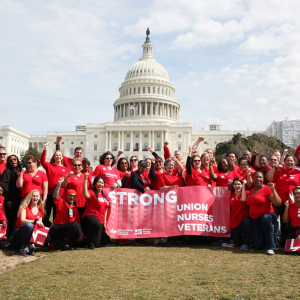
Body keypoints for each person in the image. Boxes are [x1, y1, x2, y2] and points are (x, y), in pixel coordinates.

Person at [244, 172, 282, 255]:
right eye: (256, 177)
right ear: (253, 179)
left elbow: (278, 203)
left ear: (263, 179)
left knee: (265, 218)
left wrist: (273, 190)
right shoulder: (252, 190)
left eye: (260, 177)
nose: (258, 179)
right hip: (255, 220)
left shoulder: (266, 188)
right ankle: (267, 239)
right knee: (258, 246)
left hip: (267, 216)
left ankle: (271, 247)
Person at [49, 178, 83, 251]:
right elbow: (55, 196)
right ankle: (65, 244)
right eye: (70, 195)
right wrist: (59, 185)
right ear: (66, 196)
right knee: (74, 225)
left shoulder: (75, 209)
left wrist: (81, 234)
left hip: (66, 229)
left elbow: (77, 222)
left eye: (74, 196)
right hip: (57, 227)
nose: (72, 197)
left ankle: (61, 243)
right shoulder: (61, 203)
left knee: (77, 234)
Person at [15, 190, 51, 256]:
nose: (35, 198)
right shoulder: (24, 206)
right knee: (29, 226)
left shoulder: (40, 209)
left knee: (48, 238)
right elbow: (22, 220)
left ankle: (31, 243)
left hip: (32, 231)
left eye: (37, 196)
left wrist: (41, 225)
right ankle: (24, 247)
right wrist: (34, 221)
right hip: (21, 231)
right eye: (33, 196)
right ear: (30, 197)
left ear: (39, 198)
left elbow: (39, 223)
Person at [40, 143, 69, 226]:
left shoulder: (66, 169)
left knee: (57, 216)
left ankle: (55, 234)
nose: (58, 156)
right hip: (49, 194)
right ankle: (44, 232)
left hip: (59, 196)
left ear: (62, 157)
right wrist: (44, 149)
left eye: (60, 155)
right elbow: (42, 161)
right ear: (54, 157)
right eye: (56, 155)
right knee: (45, 215)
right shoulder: (49, 166)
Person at [82, 174, 110, 249]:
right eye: (98, 182)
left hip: (100, 220)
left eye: (102, 183)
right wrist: (85, 180)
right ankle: (90, 243)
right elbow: (85, 195)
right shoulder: (91, 192)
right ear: (94, 184)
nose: (101, 184)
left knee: (97, 244)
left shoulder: (105, 195)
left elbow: (106, 209)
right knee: (96, 224)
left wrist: (104, 222)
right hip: (89, 215)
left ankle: (85, 242)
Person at [2, 155, 22, 241]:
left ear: (17, 160)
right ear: (8, 162)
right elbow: (4, 186)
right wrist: (8, 199)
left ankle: (16, 236)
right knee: (11, 218)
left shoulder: (20, 171)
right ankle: (9, 237)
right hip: (11, 198)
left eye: (14, 159)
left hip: (20, 197)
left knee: (18, 217)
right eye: (10, 160)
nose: (13, 161)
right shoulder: (7, 172)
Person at [230, 178, 251, 250]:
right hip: (234, 220)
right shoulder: (230, 194)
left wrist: (244, 187)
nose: (237, 186)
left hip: (244, 217)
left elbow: (244, 199)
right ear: (233, 185)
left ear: (242, 185)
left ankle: (246, 243)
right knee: (237, 243)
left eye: (239, 184)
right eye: (235, 184)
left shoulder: (246, 192)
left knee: (246, 221)